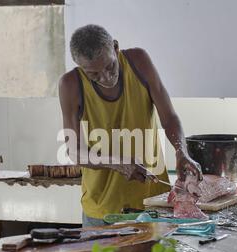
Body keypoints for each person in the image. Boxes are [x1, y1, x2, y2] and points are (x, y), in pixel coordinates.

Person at [58, 24, 202, 227]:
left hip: (154, 204)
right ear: (80, 67)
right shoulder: (70, 85)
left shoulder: (139, 62)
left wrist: (181, 151)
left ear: (115, 47)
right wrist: (117, 162)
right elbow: (74, 151)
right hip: (103, 211)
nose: (106, 78)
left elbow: (168, 117)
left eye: (110, 67)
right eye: (94, 75)